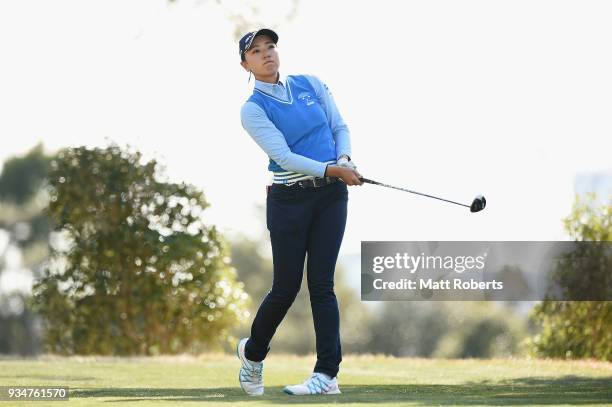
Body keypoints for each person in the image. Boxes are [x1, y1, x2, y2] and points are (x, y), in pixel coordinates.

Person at [236, 28, 362, 396]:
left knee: (322, 284)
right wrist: (334, 170)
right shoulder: (253, 109)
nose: (266, 54)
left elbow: (339, 126)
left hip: (330, 197)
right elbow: (285, 157)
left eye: (270, 47)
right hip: (289, 201)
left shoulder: (312, 84)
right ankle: (253, 355)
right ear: (245, 64)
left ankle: (327, 375)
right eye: (256, 51)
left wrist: (344, 159)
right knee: (286, 287)